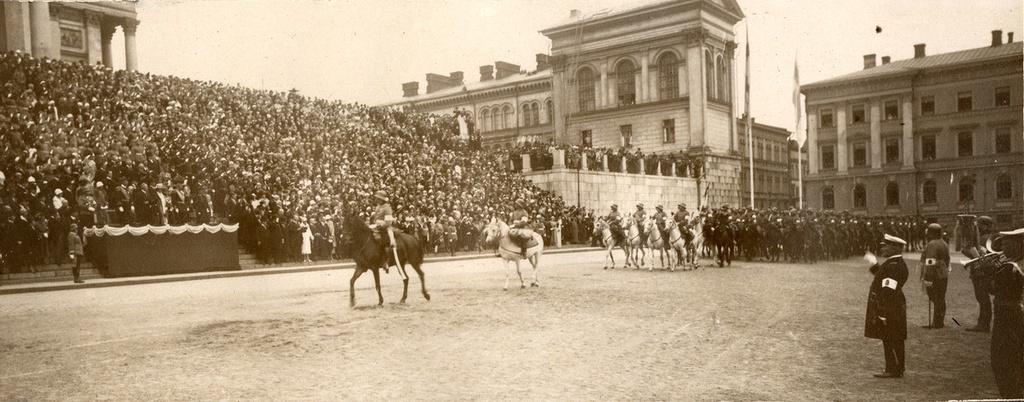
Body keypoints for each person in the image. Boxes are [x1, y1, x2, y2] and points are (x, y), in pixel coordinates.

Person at [864, 234, 908, 379]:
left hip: (890, 308)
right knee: (890, 337)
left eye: (886, 246)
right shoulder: (892, 264)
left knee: (892, 337)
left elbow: (888, 290)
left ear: (895, 248)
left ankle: (894, 369)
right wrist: (873, 265)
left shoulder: (893, 266)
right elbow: (883, 277)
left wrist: (882, 311)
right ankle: (893, 367)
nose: (882, 248)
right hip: (893, 306)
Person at [989, 227, 1023, 398]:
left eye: (1006, 242)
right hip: (1016, 313)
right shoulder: (1015, 265)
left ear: (1017, 245)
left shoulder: (1009, 268)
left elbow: (992, 288)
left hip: (1007, 317)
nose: (1002, 245)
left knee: (1002, 360)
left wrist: (989, 269)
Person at [967, 216, 997, 332]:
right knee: (981, 298)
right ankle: (982, 322)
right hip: (980, 270)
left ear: (984, 226)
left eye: (978, 225)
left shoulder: (985, 238)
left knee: (983, 298)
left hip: (982, 272)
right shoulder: (985, 237)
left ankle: (983, 324)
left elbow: (985, 255)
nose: (977, 227)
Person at [920, 223, 949, 329]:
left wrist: (928, 276)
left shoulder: (932, 244)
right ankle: (940, 320)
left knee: (935, 296)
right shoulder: (943, 243)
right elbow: (947, 259)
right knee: (941, 296)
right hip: (943, 272)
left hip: (935, 274)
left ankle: (937, 321)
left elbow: (930, 261)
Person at [370, 190, 395, 272]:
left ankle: (386, 262)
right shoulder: (377, 207)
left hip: (385, 229)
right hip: (376, 228)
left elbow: (388, 222)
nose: (376, 199)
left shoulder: (387, 208)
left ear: (381, 199)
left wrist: (380, 224)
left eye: (377, 198)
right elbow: (376, 219)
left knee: (384, 243)